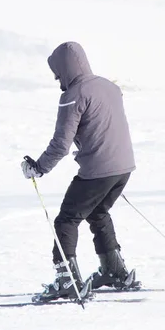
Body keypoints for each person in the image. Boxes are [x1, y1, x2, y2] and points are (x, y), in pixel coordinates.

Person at [21, 41, 140, 301]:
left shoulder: (73, 95)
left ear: (64, 69)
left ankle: (67, 281)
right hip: (123, 167)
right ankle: (114, 270)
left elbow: (61, 144)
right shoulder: (109, 86)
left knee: (66, 220)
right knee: (97, 212)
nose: (57, 80)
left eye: (57, 74)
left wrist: (38, 168)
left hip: (99, 169)